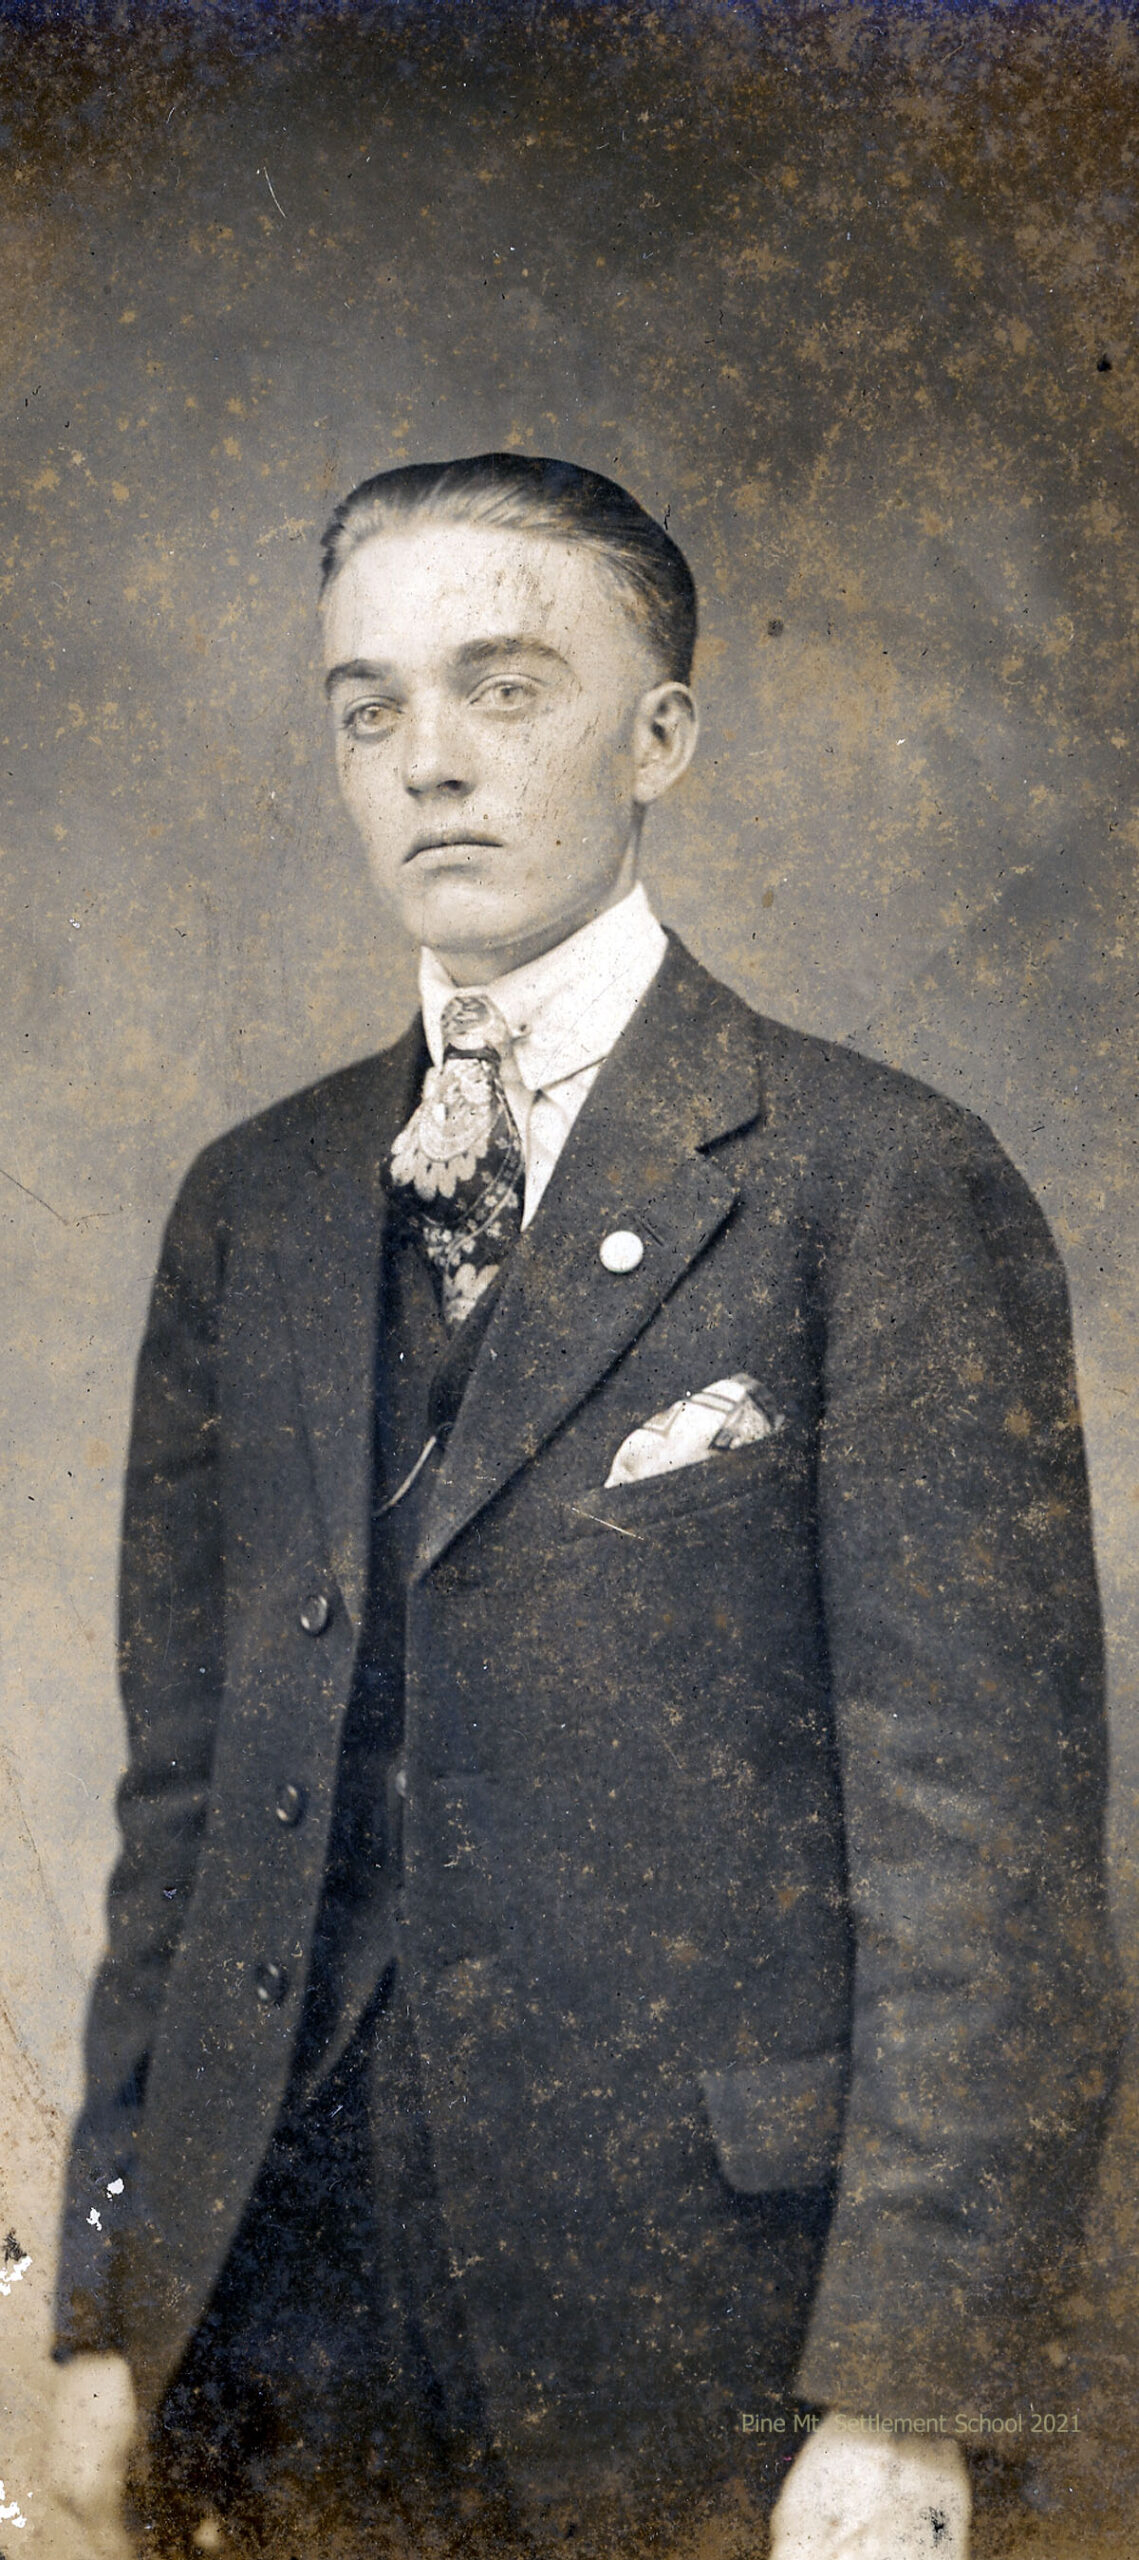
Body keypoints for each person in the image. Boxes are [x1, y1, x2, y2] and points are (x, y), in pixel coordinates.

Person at [49, 455, 1120, 2560]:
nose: (428, 760)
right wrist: (108, 2297)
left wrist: (906, 2392)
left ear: (662, 736)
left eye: (506, 686)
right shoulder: (253, 1204)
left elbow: (987, 1858)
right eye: (368, 706)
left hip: (700, 2334)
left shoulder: (874, 1182)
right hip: (272, 2316)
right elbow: (187, 1806)